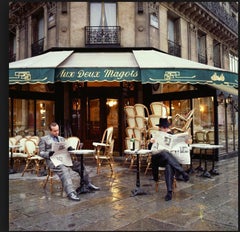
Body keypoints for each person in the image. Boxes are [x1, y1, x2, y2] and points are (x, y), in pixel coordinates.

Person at [39, 122, 100, 201]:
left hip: (64, 158)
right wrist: (49, 153)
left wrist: (69, 148)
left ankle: (87, 184)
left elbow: (66, 147)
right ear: (50, 131)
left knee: (79, 165)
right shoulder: (44, 139)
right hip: (52, 160)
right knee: (64, 170)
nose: (57, 132)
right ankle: (71, 192)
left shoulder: (61, 138)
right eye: (54, 131)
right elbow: (40, 153)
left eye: (57, 130)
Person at [148, 118, 190, 201]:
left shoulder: (172, 135)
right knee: (164, 152)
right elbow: (150, 149)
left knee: (168, 165)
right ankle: (182, 171)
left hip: (168, 160)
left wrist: (185, 142)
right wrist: (151, 142)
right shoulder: (155, 135)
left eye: (166, 128)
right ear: (160, 128)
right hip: (157, 159)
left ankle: (169, 192)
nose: (164, 129)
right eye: (163, 128)